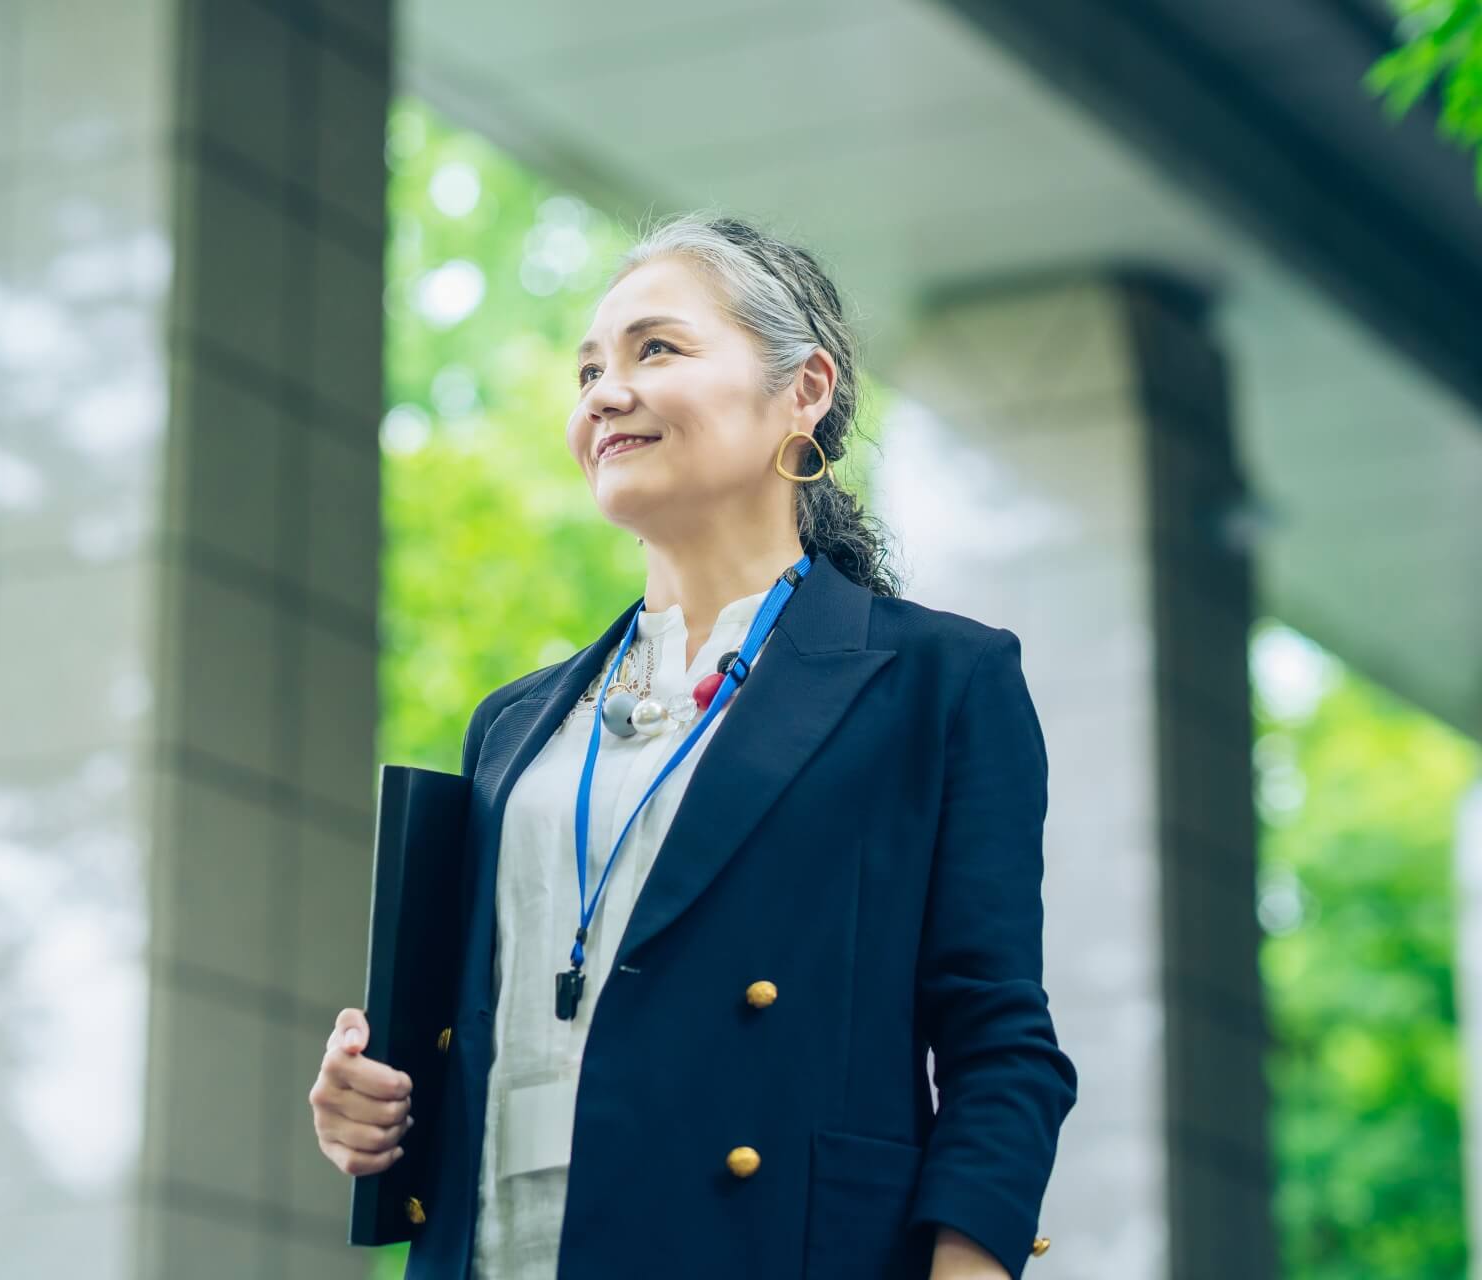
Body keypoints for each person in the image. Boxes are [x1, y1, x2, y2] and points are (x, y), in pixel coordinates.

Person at [309, 212, 1078, 1280]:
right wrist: (369, 1102)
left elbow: (1002, 1046)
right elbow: (484, 1040)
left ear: (803, 390)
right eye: (587, 370)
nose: (602, 393)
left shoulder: (938, 682)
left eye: (654, 349)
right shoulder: (516, 726)